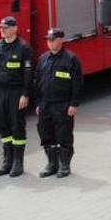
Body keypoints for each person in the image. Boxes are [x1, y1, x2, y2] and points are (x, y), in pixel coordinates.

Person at [0, 16, 36, 178]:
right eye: (1, 27)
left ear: (15, 29)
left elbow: (28, 74)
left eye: (6, 27)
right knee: (3, 127)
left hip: (16, 92)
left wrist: (25, 94)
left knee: (17, 126)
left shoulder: (23, 48)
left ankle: (18, 162)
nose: (2, 30)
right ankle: (7, 161)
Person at [35, 28, 84, 179]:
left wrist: (74, 104)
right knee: (47, 136)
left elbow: (77, 83)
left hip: (63, 105)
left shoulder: (71, 59)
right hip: (45, 105)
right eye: (48, 40)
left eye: (53, 39)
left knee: (63, 136)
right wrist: (38, 103)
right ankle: (52, 164)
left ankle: (64, 165)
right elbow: (37, 81)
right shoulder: (43, 59)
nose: (50, 43)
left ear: (61, 40)